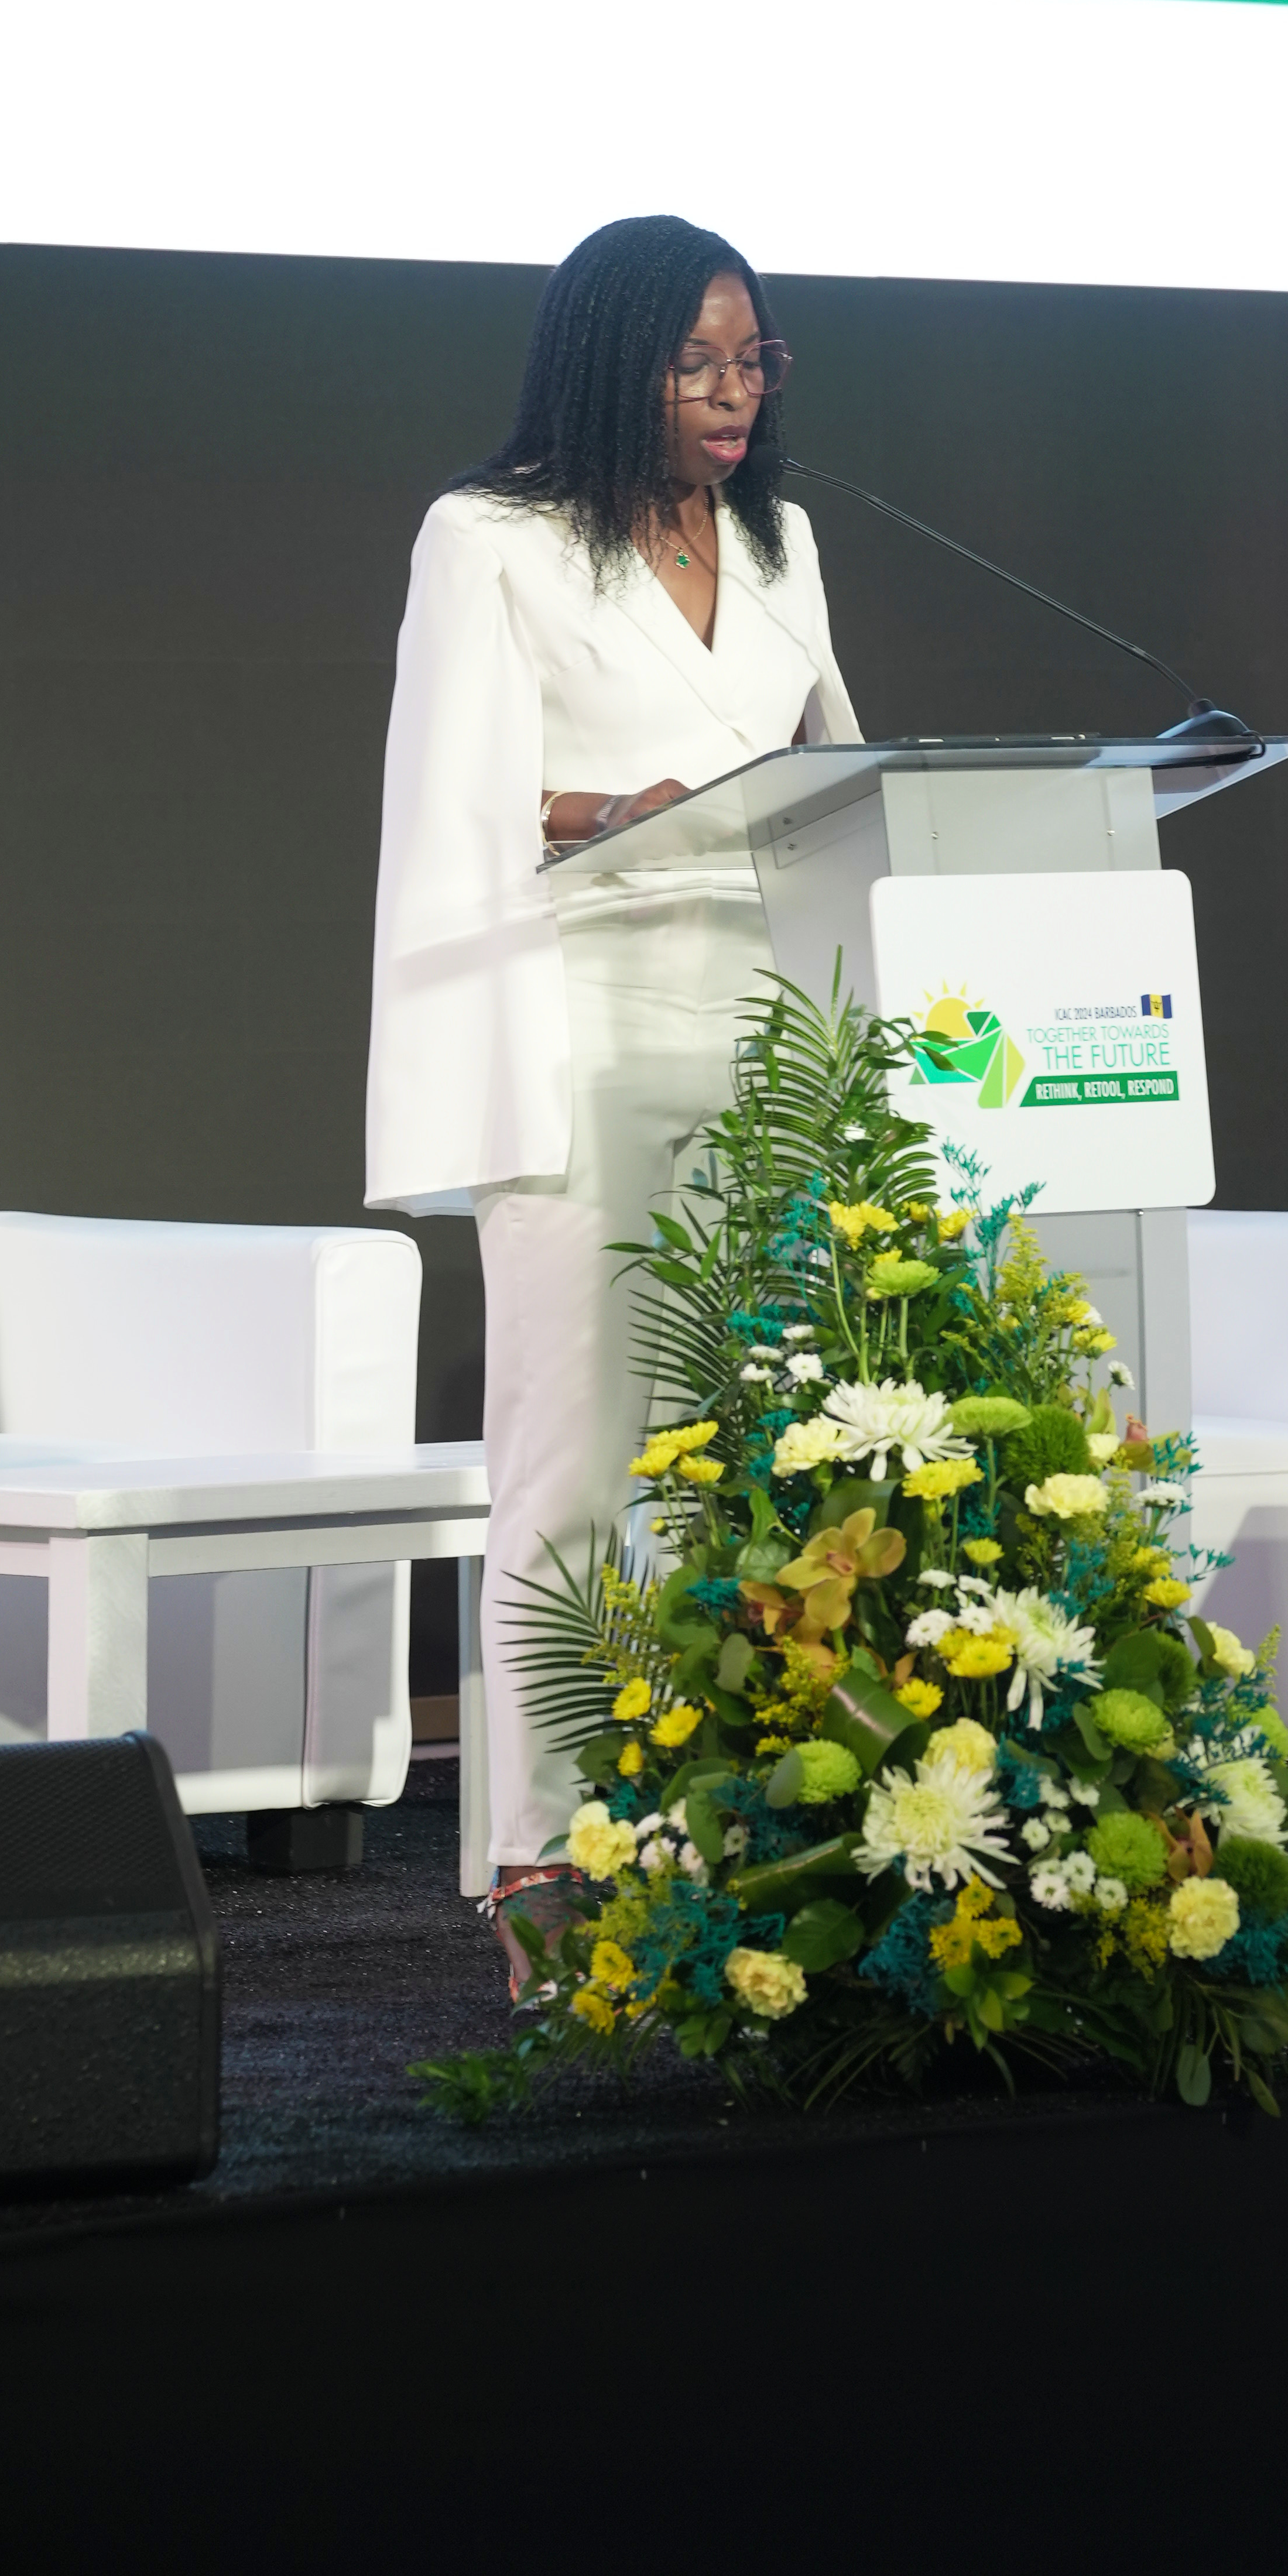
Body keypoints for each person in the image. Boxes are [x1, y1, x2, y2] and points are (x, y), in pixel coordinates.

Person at [364, 213, 857, 1942]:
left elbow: (833, 765)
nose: (734, 394)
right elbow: (453, 801)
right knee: (573, 1458)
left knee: (761, 1449)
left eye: (754, 360)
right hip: (581, 1022)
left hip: (776, 1027)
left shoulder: (780, 538)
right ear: (610, 365)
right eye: (695, 363)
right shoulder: (491, 538)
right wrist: (610, 809)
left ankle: (745, 1833)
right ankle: (548, 1858)